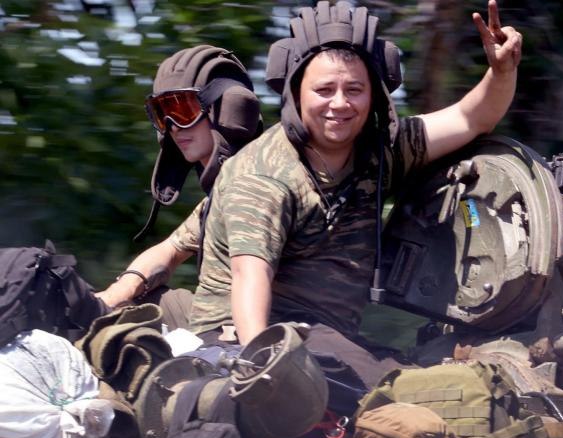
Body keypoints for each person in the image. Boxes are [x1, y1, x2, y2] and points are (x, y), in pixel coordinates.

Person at [184, 1, 522, 397]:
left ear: (374, 95)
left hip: (327, 336)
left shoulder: (382, 151)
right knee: (423, 397)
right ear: (296, 93)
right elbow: (249, 276)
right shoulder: (266, 175)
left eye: (355, 90)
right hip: (250, 337)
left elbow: (471, 118)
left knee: (440, 375)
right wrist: (262, 366)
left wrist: (501, 71)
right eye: (324, 90)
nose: (340, 104)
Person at [95, 46, 262, 329]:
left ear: (228, 109)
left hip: (254, 329)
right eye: (162, 113)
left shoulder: (256, 186)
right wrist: (107, 299)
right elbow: (169, 250)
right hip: (220, 319)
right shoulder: (219, 195)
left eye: (183, 109)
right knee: (130, 305)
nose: (173, 126)